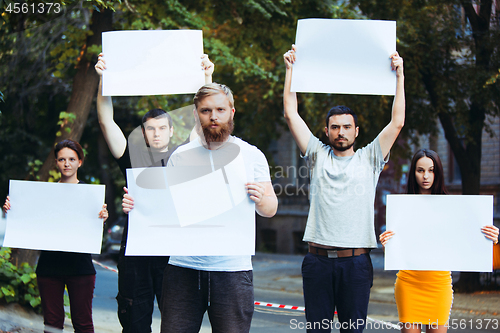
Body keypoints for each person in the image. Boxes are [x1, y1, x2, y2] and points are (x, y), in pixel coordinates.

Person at [122, 83, 278, 333]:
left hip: (232, 270)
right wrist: (137, 205)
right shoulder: (180, 156)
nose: (213, 116)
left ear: (232, 112)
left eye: (220, 110)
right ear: (195, 114)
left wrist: (261, 198)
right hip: (182, 268)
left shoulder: (252, 155)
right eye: (206, 111)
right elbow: (166, 208)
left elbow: (270, 208)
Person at [282, 44, 405, 333]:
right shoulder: (317, 154)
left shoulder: (370, 158)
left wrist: (400, 76)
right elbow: (290, 114)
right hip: (318, 262)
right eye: (335, 127)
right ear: (326, 131)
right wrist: (291, 71)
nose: (341, 132)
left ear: (356, 131)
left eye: (347, 127)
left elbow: (397, 122)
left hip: (356, 264)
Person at [94, 54, 214, 333]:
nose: (156, 133)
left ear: (171, 131)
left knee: (176, 324)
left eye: (162, 128)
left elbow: (205, 122)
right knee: (135, 324)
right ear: (143, 133)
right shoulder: (130, 156)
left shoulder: (184, 155)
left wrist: (207, 79)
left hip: (173, 254)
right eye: (150, 129)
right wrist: (103, 79)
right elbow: (105, 121)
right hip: (135, 252)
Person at [379, 149, 499, 333]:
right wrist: (387, 244)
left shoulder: (452, 206)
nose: (426, 176)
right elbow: (396, 253)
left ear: (438, 173)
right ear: (413, 173)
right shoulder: (401, 208)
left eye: (431, 170)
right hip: (409, 283)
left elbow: (467, 240)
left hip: (439, 284)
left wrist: (491, 238)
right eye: (420, 170)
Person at [3, 139, 108, 333]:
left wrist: (102, 217)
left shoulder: (91, 195)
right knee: (52, 324)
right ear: (56, 162)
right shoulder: (43, 193)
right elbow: (29, 219)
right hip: (49, 267)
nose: (67, 163)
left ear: (80, 162)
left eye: (71, 159)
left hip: (81, 268)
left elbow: (94, 229)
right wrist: (13, 208)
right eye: (61, 159)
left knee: (83, 322)